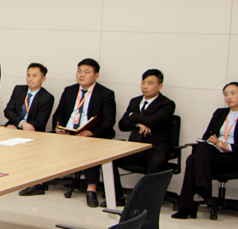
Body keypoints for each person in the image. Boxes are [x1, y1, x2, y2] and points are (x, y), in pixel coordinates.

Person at [51, 58, 116, 208]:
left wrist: (91, 132)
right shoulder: (69, 91)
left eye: (86, 72)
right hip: (68, 133)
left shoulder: (105, 94)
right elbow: (59, 113)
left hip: (89, 135)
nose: (81, 75)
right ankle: (39, 183)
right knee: (43, 142)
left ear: (96, 75)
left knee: (91, 149)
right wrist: (58, 127)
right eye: (79, 71)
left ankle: (91, 190)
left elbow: (109, 121)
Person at [172, 82, 238, 219]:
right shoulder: (220, 113)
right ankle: (202, 189)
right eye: (226, 94)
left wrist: (226, 146)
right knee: (200, 149)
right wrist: (212, 140)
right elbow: (207, 135)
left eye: (233, 93)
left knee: (192, 160)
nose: (228, 97)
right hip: (214, 153)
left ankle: (188, 206)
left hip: (233, 156)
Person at [112, 69, 175, 207]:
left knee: (156, 161)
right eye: (143, 83)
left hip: (155, 148)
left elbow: (152, 121)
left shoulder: (167, 104)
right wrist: (137, 124)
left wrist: (132, 116)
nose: (145, 86)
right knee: (110, 158)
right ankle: (116, 197)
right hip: (135, 146)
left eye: (150, 83)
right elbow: (122, 125)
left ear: (160, 86)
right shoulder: (135, 101)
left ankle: (144, 201)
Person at [6, 63, 56, 196]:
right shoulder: (19, 90)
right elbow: (8, 111)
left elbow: (40, 122)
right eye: (28, 75)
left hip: (35, 133)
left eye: (34, 76)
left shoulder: (47, 97)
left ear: (43, 79)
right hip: (17, 127)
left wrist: (20, 127)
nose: (30, 79)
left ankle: (36, 184)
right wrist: (20, 124)